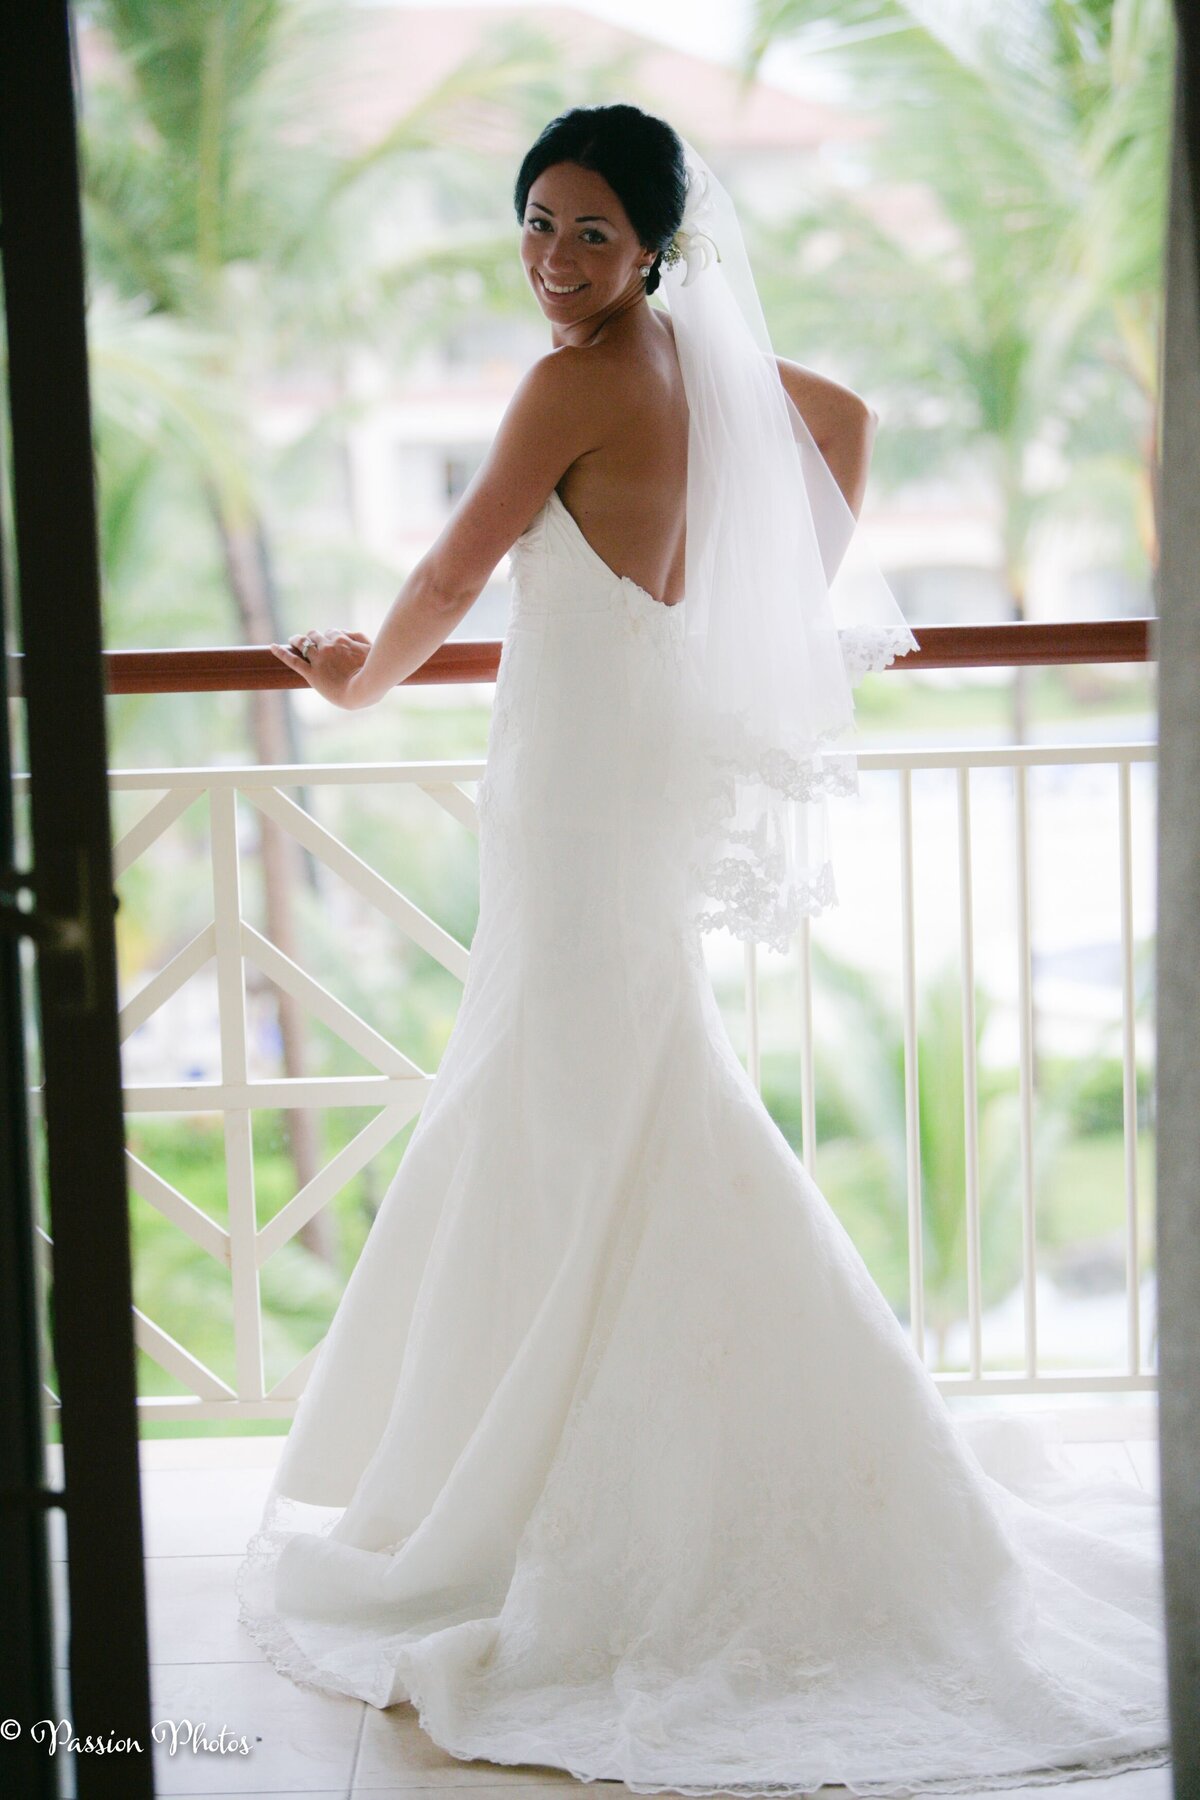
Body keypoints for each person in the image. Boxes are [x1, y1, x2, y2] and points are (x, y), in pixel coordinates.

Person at [238, 104, 1169, 1795]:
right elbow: (850, 420)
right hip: (630, 780)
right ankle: (641, 1454)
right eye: (533, 224)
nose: (550, 261)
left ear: (655, 245)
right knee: (622, 1096)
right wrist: (768, 615)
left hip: (587, 796)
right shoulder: (712, 374)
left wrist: (357, 677)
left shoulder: (571, 385)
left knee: (583, 1103)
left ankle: (553, 1494)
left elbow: (452, 573)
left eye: (589, 233)